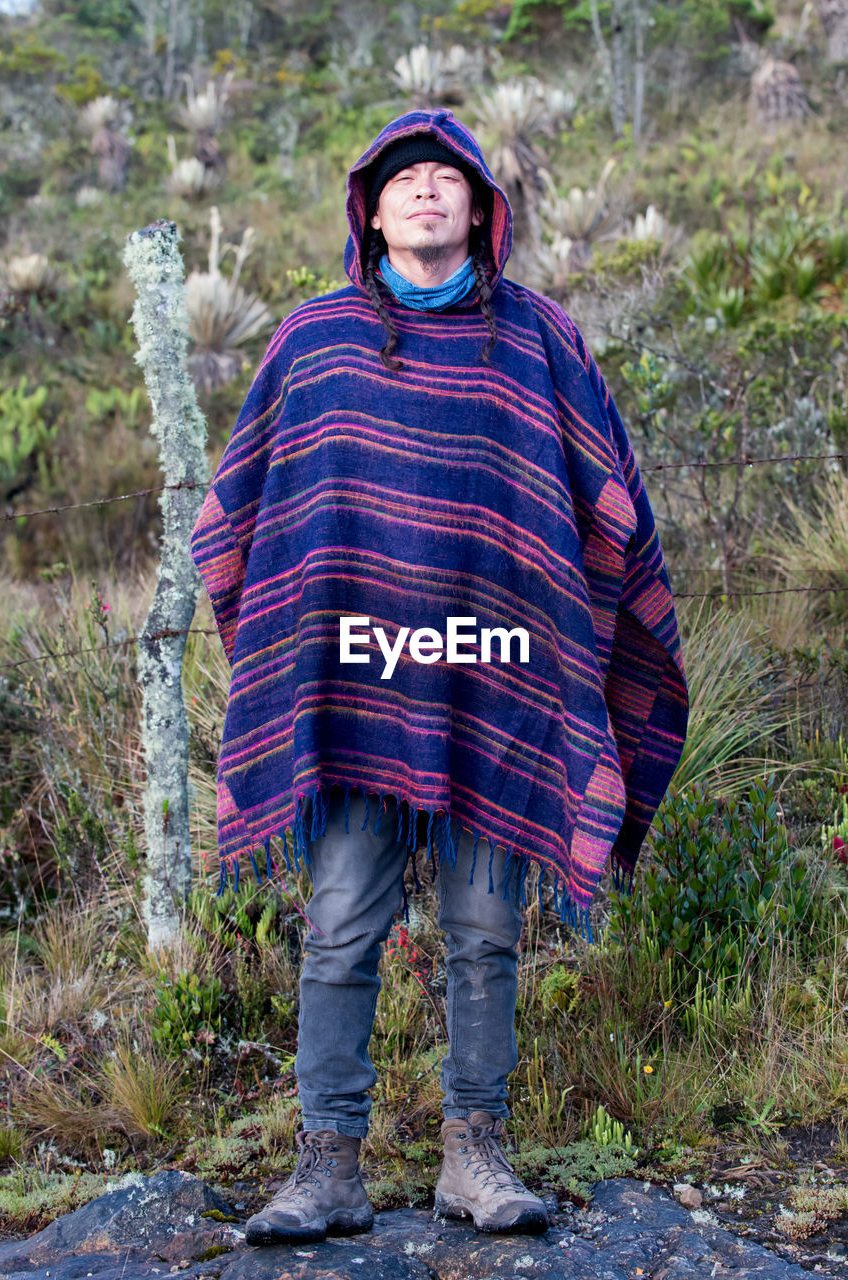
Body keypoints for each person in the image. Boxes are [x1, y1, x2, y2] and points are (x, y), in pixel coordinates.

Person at [190, 108, 688, 1247]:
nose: (425, 193)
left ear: (480, 210)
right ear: (368, 211)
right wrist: (291, 654)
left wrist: (578, 629)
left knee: (482, 930)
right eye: (402, 180)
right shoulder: (310, 342)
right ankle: (327, 1165)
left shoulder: (536, 340)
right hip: (355, 685)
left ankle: (475, 1154)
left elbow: (606, 502)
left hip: (495, 684)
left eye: (446, 180)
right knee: (337, 927)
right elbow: (238, 519)